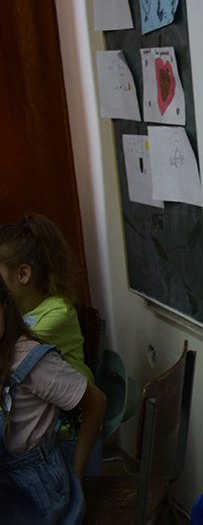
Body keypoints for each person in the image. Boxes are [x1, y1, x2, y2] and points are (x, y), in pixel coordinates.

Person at [0, 278, 106, 524]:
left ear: (6, 304)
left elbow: (96, 401)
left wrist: (77, 470)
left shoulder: (31, 361)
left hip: (36, 489)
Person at [0, 214, 92, 383]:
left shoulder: (58, 314)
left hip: (72, 395)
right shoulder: (13, 309)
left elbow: (13, 355)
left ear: (22, 274)